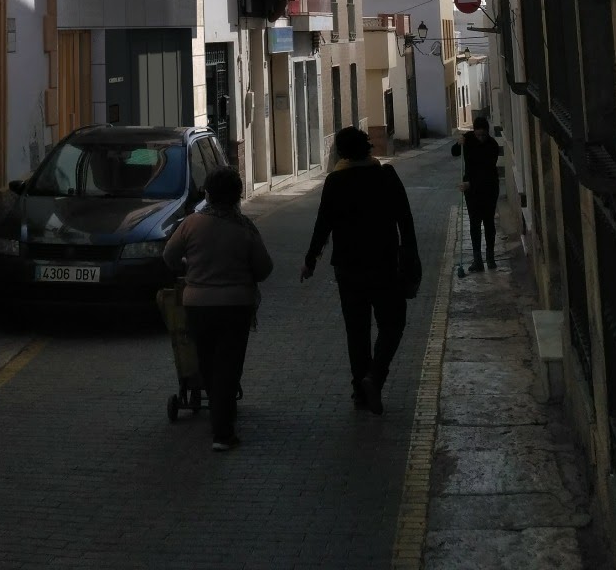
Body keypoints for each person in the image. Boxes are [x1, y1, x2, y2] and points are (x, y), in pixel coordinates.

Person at [300, 126, 422, 416]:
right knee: (393, 324)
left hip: (348, 269)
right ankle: (374, 377)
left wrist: (310, 260)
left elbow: (322, 225)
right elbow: (405, 221)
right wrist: (410, 258)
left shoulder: (335, 181)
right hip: (384, 266)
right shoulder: (386, 176)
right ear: (368, 148)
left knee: (357, 330)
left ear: (341, 153)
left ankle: (360, 389)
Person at [163, 165, 273, 452]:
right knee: (229, 364)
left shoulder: (191, 224)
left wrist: (189, 265)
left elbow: (169, 256)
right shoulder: (245, 227)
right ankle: (222, 431)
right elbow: (264, 269)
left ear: (208, 195)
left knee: (208, 363)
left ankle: (220, 416)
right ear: (237, 196)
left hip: (198, 306)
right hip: (236, 307)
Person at [453, 115, 502, 271]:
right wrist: (458, 143)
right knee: (474, 223)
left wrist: (470, 184)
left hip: (489, 189)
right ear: (474, 132)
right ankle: (477, 260)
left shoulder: (492, 146)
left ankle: (490, 258)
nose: (481, 138)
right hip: (472, 192)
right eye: (478, 135)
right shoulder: (468, 139)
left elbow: (487, 172)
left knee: (488, 222)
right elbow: (454, 152)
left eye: (483, 135)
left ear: (487, 132)